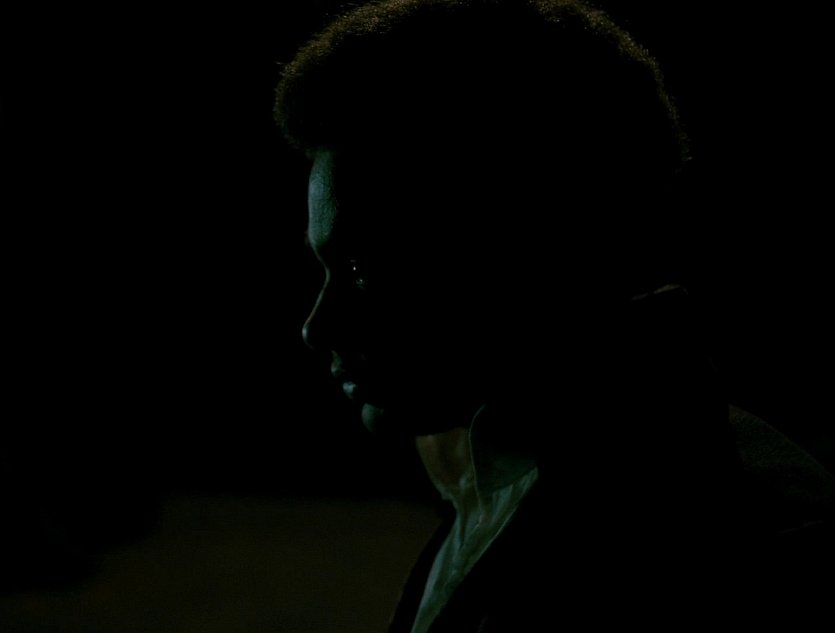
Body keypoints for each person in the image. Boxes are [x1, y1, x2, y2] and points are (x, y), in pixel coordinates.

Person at [275, 1, 834, 629]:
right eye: (328, 268)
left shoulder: (752, 547)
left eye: (361, 268)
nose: (316, 327)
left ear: (530, 237)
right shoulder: (515, 487)